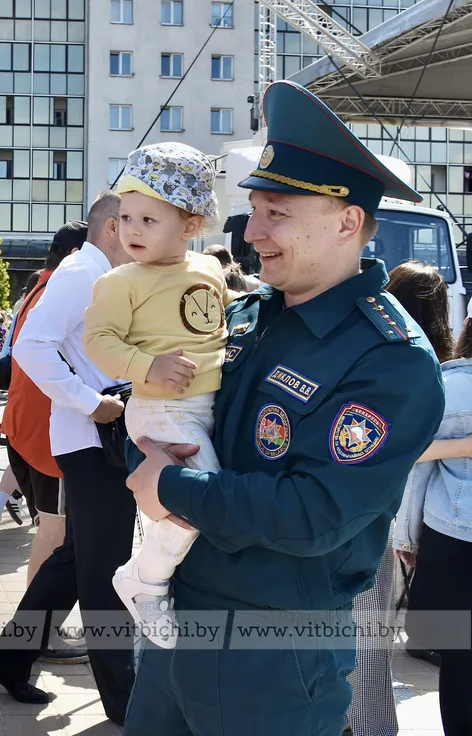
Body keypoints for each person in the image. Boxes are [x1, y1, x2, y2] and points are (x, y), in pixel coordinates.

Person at [122, 80, 444, 736]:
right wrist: (148, 460)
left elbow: (312, 514)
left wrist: (171, 486)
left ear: (347, 222)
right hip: (177, 621)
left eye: (277, 212)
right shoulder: (242, 315)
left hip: (271, 652)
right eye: (253, 209)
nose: (253, 230)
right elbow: (160, 413)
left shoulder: (390, 359)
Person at [0, 191, 137, 723]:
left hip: (95, 439)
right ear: (112, 226)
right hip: (92, 440)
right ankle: (124, 699)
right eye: (138, 221)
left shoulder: (93, 272)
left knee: (76, 560)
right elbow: (30, 347)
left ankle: (8, 659)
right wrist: (91, 401)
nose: (144, 233)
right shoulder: (81, 273)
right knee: (104, 569)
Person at [83, 142, 230, 648]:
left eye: (148, 219)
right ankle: (144, 580)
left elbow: (215, 326)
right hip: (161, 409)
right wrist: (149, 366)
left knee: (190, 504)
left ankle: (152, 576)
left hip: (203, 408)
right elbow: (97, 342)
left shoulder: (209, 268)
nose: (132, 230)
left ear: (191, 226)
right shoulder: (120, 281)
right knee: (199, 499)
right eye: (126, 218)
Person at [346, 261, 453, 736]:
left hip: (352, 510)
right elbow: (412, 450)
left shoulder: (369, 353)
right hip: (389, 520)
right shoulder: (431, 367)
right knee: (370, 643)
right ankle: (369, 727)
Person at [395, 293, 472, 735]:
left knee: (458, 665)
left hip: (452, 542)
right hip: (450, 539)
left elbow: (414, 466)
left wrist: (407, 538)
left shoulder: (450, 385)